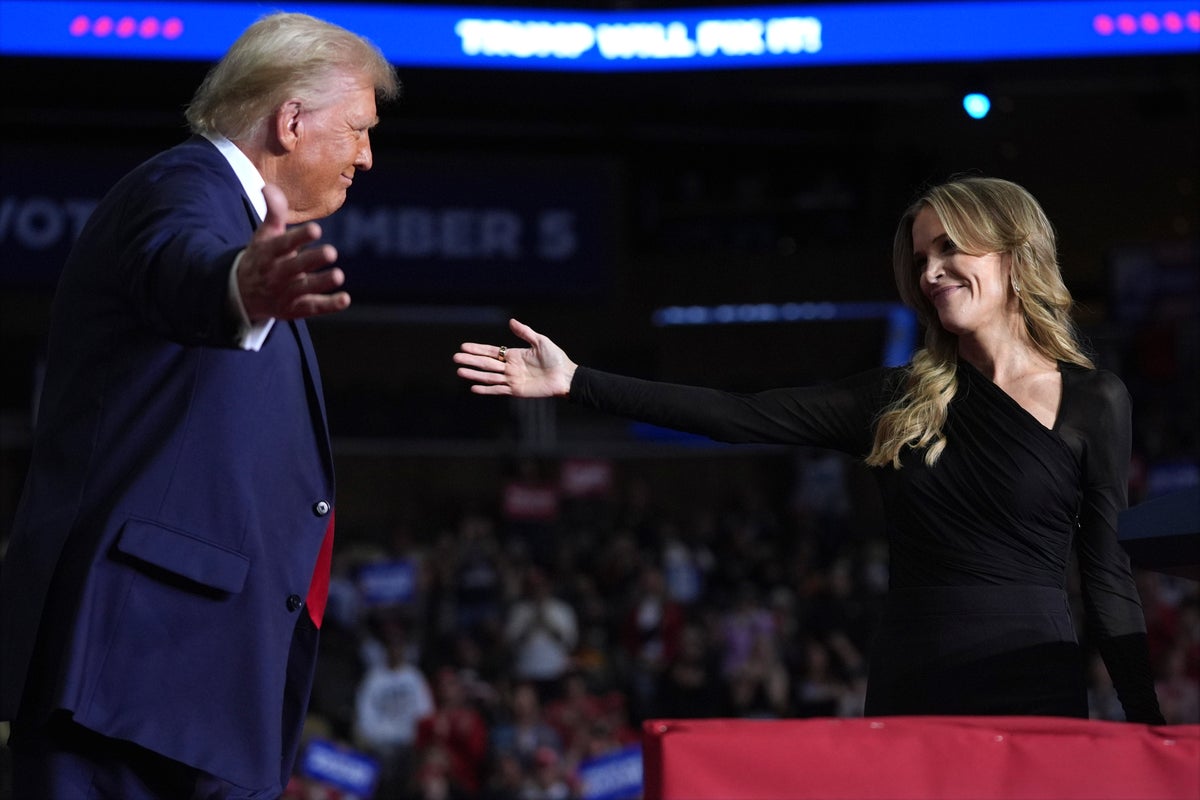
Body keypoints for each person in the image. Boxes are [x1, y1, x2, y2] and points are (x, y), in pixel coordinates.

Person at [454, 176, 1165, 724]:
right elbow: (736, 416)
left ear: (1015, 252)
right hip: (917, 677)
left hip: (1036, 679)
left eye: (951, 248)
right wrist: (578, 380)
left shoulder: (1096, 400)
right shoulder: (894, 398)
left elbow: (1108, 578)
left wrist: (1148, 725)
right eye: (922, 257)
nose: (931, 272)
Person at [0, 12, 399, 798]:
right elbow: (178, 264)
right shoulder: (184, 187)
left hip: (192, 677)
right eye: (358, 130)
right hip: (136, 669)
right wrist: (236, 288)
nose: (366, 156)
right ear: (290, 121)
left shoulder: (236, 215)